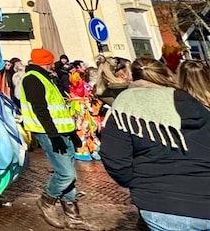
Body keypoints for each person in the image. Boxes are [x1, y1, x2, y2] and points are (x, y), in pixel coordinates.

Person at [101, 57, 210, 231]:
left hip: (163, 203)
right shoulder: (186, 99)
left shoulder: (125, 105)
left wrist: (139, 184)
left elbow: (115, 158)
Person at [18, 48, 89, 229]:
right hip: (50, 133)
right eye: (51, 61)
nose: (53, 64)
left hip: (62, 132)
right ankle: (46, 200)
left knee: (69, 176)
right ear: (46, 62)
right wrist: (53, 135)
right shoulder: (33, 79)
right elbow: (40, 109)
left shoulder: (47, 78)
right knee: (66, 174)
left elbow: (58, 109)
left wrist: (71, 133)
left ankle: (73, 218)